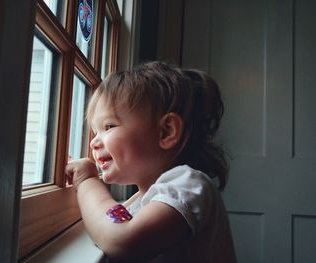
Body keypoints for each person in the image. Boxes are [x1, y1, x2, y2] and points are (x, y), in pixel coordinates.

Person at [65, 61, 236, 262]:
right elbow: (109, 220)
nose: (94, 142)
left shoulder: (187, 185)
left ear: (166, 132)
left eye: (109, 126)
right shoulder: (145, 197)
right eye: (96, 131)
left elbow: (121, 239)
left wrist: (87, 181)